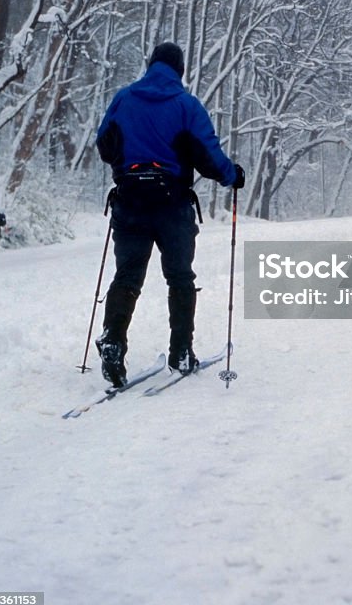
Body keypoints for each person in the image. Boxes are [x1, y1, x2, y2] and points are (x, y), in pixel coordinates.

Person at [95, 41, 245, 387]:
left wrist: (129, 162)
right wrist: (231, 175)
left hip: (130, 201)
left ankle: (113, 341)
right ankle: (180, 352)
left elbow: (105, 146)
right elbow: (208, 156)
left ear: (150, 65)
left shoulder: (124, 99)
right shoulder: (186, 106)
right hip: (172, 205)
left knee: (127, 277)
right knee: (179, 278)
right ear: (179, 70)